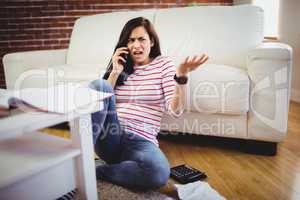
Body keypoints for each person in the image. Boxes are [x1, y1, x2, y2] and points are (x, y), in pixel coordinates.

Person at [90, 17, 208, 190]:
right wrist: (115, 72)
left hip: (141, 142)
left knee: (159, 172)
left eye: (141, 39)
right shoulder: (122, 67)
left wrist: (181, 77)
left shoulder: (163, 64)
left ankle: (97, 171)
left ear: (151, 41)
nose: (136, 45)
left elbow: (175, 111)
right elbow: (102, 100)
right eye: (131, 40)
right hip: (110, 136)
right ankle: (82, 156)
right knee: (98, 85)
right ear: (125, 44)